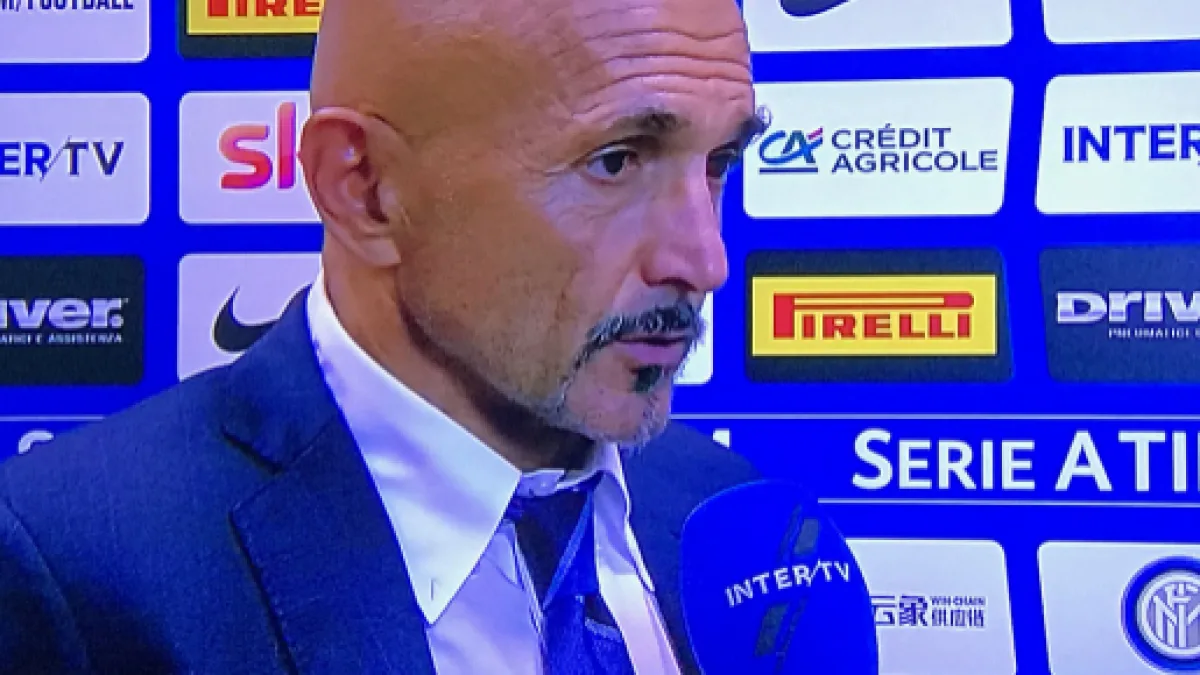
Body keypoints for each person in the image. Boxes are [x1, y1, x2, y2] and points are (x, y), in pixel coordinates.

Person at [0, 0, 774, 672]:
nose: (705, 261)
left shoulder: (735, 517)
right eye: (616, 161)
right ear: (365, 188)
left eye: (718, 163)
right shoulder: (72, 573)